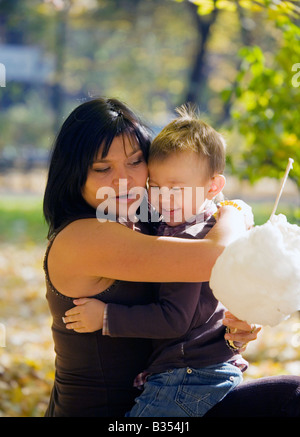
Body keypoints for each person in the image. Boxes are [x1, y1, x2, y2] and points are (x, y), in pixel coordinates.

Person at [62, 99, 300, 418]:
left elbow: (174, 317)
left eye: (176, 188)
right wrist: (232, 210)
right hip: (186, 374)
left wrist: (107, 317)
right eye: (156, 187)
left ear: (213, 186)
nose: (162, 197)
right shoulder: (166, 224)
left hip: (188, 378)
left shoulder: (191, 233)